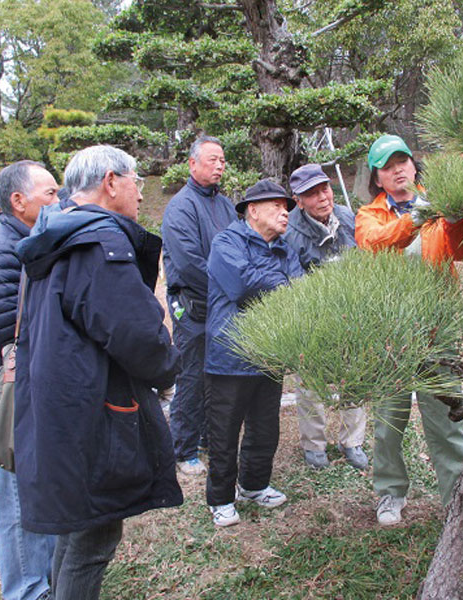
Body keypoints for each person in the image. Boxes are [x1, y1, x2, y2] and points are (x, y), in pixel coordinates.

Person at [14, 145, 182, 599]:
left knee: (75, 528)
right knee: (93, 535)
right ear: (111, 182)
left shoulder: (56, 233)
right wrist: (169, 369)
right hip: (92, 413)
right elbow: (137, 334)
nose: (141, 194)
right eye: (135, 182)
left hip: (61, 408)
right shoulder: (97, 242)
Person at [355, 134, 463, 526]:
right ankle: (390, 493)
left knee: (444, 420)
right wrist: (414, 218)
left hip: (437, 331)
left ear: (413, 165)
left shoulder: (438, 206)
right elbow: (374, 243)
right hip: (390, 334)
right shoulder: (369, 215)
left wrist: (454, 218)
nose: (397, 171)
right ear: (377, 177)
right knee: (388, 423)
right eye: (387, 166)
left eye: (402, 162)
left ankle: (455, 498)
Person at [0, 160, 58, 600]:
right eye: (50, 195)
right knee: (19, 498)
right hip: (6, 394)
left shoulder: (29, 241)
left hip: (27, 388)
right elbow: (13, 332)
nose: (59, 202)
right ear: (18, 202)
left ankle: (49, 576)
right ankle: (26, 589)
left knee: (38, 487)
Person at [204, 179, 303, 527]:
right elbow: (243, 287)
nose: (284, 213)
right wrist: (280, 282)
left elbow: (299, 292)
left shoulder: (285, 249)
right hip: (231, 354)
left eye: (286, 207)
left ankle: (254, 485)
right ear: (252, 210)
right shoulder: (226, 242)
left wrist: (271, 279)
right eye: (276, 205)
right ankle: (220, 498)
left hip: (270, 353)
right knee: (224, 432)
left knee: (265, 429)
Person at [283, 164, 368, 470]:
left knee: (355, 377)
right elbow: (289, 278)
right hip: (311, 317)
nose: (322, 198)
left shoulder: (347, 216)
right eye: (312, 194)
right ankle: (314, 444)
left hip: (349, 312)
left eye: (325, 189)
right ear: (298, 200)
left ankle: (353, 441)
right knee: (310, 381)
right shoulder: (289, 231)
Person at [162, 135, 236, 476]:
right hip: (193, 304)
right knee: (191, 375)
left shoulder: (224, 204)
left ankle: (209, 437)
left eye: (222, 160)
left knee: (219, 374)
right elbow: (189, 262)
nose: (219, 165)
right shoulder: (181, 206)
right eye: (212, 160)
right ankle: (184, 447)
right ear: (192, 164)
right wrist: (230, 285)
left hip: (222, 304)